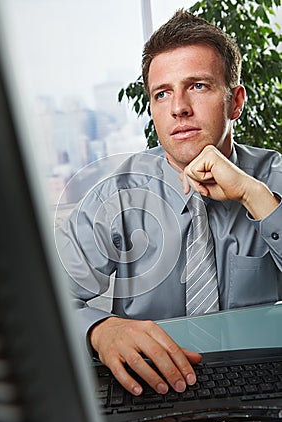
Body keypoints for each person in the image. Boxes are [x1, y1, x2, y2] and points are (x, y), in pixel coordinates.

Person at [56, 9, 282, 398]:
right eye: (162, 93)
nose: (178, 107)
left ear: (235, 101)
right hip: (151, 386)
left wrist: (256, 197)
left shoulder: (274, 178)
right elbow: (43, 297)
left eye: (197, 86)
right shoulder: (116, 194)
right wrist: (98, 329)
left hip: (264, 384)